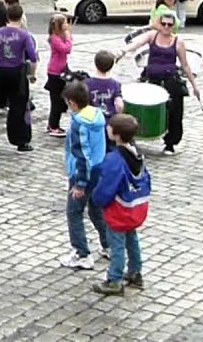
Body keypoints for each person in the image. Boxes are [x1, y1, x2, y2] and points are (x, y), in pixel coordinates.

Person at [119, 10, 200, 156]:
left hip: (170, 80)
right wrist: (123, 51)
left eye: (170, 24)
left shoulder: (178, 42)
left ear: (174, 25)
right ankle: (134, 135)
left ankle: (170, 143)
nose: (166, 27)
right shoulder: (152, 35)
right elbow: (137, 43)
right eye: (164, 24)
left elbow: (185, 65)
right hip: (152, 79)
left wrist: (194, 86)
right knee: (140, 107)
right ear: (159, 24)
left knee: (175, 112)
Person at [90, 114, 150, 295]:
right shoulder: (137, 153)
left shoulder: (114, 159)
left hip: (119, 209)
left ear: (116, 134)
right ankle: (135, 272)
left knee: (116, 244)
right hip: (136, 206)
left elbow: (107, 187)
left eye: (109, 127)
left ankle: (114, 280)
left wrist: (96, 199)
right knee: (132, 239)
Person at [58, 82, 109, 269]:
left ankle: (82, 254)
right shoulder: (97, 115)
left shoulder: (79, 124)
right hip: (98, 168)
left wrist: (80, 184)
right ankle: (109, 245)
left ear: (72, 103)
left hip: (83, 173)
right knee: (96, 209)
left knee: (74, 212)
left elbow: (82, 156)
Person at [0, 4, 38, 151]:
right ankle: (20, 141)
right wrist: (32, 74)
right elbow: (33, 58)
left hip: (0, 70)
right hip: (17, 72)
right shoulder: (25, 35)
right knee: (18, 106)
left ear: (7, 16)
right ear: (21, 16)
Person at [85, 51, 123, 147]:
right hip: (109, 123)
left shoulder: (87, 83)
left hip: (92, 121)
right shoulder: (115, 84)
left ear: (95, 64)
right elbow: (119, 105)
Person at [45, 14, 74, 137]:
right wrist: (68, 37)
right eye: (65, 23)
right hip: (55, 72)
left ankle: (53, 124)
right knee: (56, 101)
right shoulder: (54, 38)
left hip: (61, 69)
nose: (67, 25)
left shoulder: (59, 36)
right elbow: (66, 49)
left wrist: (68, 36)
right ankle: (53, 126)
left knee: (60, 100)